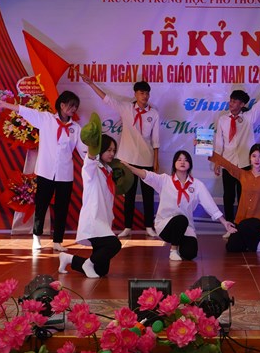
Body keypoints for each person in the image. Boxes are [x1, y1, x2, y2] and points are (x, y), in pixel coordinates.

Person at [0, 91, 82, 253]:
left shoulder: (76, 128)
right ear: (62, 105)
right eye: (71, 105)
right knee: (41, 205)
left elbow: (84, 151)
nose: (74, 109)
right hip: (45, 171)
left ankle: (58, 241)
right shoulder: (46, 119)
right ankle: (37, 236)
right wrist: (5, 105)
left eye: (76, 106)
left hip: (65, 174)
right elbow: (25, 111)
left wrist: (96, 158)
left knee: (62, 208)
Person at [81, 76, 160, 238]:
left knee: (148, 195)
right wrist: (91, 84)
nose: (145, 96)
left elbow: (156, 140)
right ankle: (127, 227)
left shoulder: (154, 113)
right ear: (135, 94)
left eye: (147, 93)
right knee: (129, 195)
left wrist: (156, 161)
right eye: (141, 93)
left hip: (147, 159)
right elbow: (106, 99)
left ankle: (149, 226)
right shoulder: (126, 108)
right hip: (127, 159)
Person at [124, 150, 236, 261]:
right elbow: (146, 175)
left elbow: (210, 204)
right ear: (174, 163)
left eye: (186, 160)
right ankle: (173, 250)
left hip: (186, 227)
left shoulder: (197, 185)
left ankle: (179, 244)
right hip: (165, 225)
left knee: (190, 253)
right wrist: (130, 168)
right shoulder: (164, 180)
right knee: (181, 219)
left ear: (190, 164)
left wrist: (224, 222)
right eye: (179, 159)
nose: (182, 162)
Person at [212, 78, 260, 224]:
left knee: (243, 195)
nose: (231, 103)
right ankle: (229, 225)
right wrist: (217, 162)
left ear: (242, 104)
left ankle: (242, 225)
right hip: (228, 163)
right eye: (231, 100)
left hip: (244, 164)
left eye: (235, 101)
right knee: (228, 196)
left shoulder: (248, 117)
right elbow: (219, 142)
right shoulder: (222, 120)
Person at [58, 133, 122, 279]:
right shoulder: (91, 167)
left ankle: (68, 259)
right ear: (100, 149)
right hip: (93, 220)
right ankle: (88, 264)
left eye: (114, 150)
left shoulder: (109, 170)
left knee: (101, 270)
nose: (112, 153)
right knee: (114, 245)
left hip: (104, 220)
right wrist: (94, 142)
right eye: (108, 150)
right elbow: (91, 158)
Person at [208, 144, 260, 252]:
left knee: (246, 226)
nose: (257, 159)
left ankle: (253, 240)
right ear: (250, 158)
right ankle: (252, 242)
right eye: (254, 156)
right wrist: (204, 148)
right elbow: (226, 164)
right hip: (242, 220)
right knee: (231, 247)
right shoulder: (243, 174)